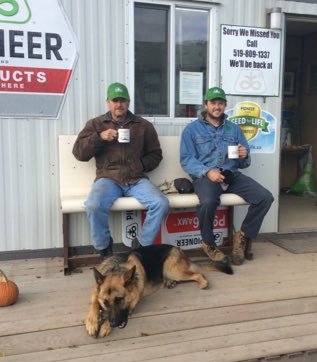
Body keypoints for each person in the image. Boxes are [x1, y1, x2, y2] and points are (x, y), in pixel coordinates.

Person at [73, 82, 169, 258]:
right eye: (115, 100)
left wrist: (139, 166)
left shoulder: (143, 125)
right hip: (108, 179)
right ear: (108, 102)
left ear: (129, 102)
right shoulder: (96, 124)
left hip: (136, 179)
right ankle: (104, 249)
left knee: (160, 203)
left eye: (123, 100)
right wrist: (99, 137)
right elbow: (79, 153)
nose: (119, 104)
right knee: (93, 205)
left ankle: (141, 246)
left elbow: (156, 155)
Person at [180, 87, 274, 266]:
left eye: (220, 103)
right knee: (208, 201)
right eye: (213, 103)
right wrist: (208, 172)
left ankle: (242, 237)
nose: (217, 106)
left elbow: (245, 162)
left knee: (265, 197)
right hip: (206, 176)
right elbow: (186, 159)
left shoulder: (234, 129)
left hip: (232, 174)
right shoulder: (192, 130)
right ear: (206, 105)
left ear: (224, 105)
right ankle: (208, 243)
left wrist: (244, 154)